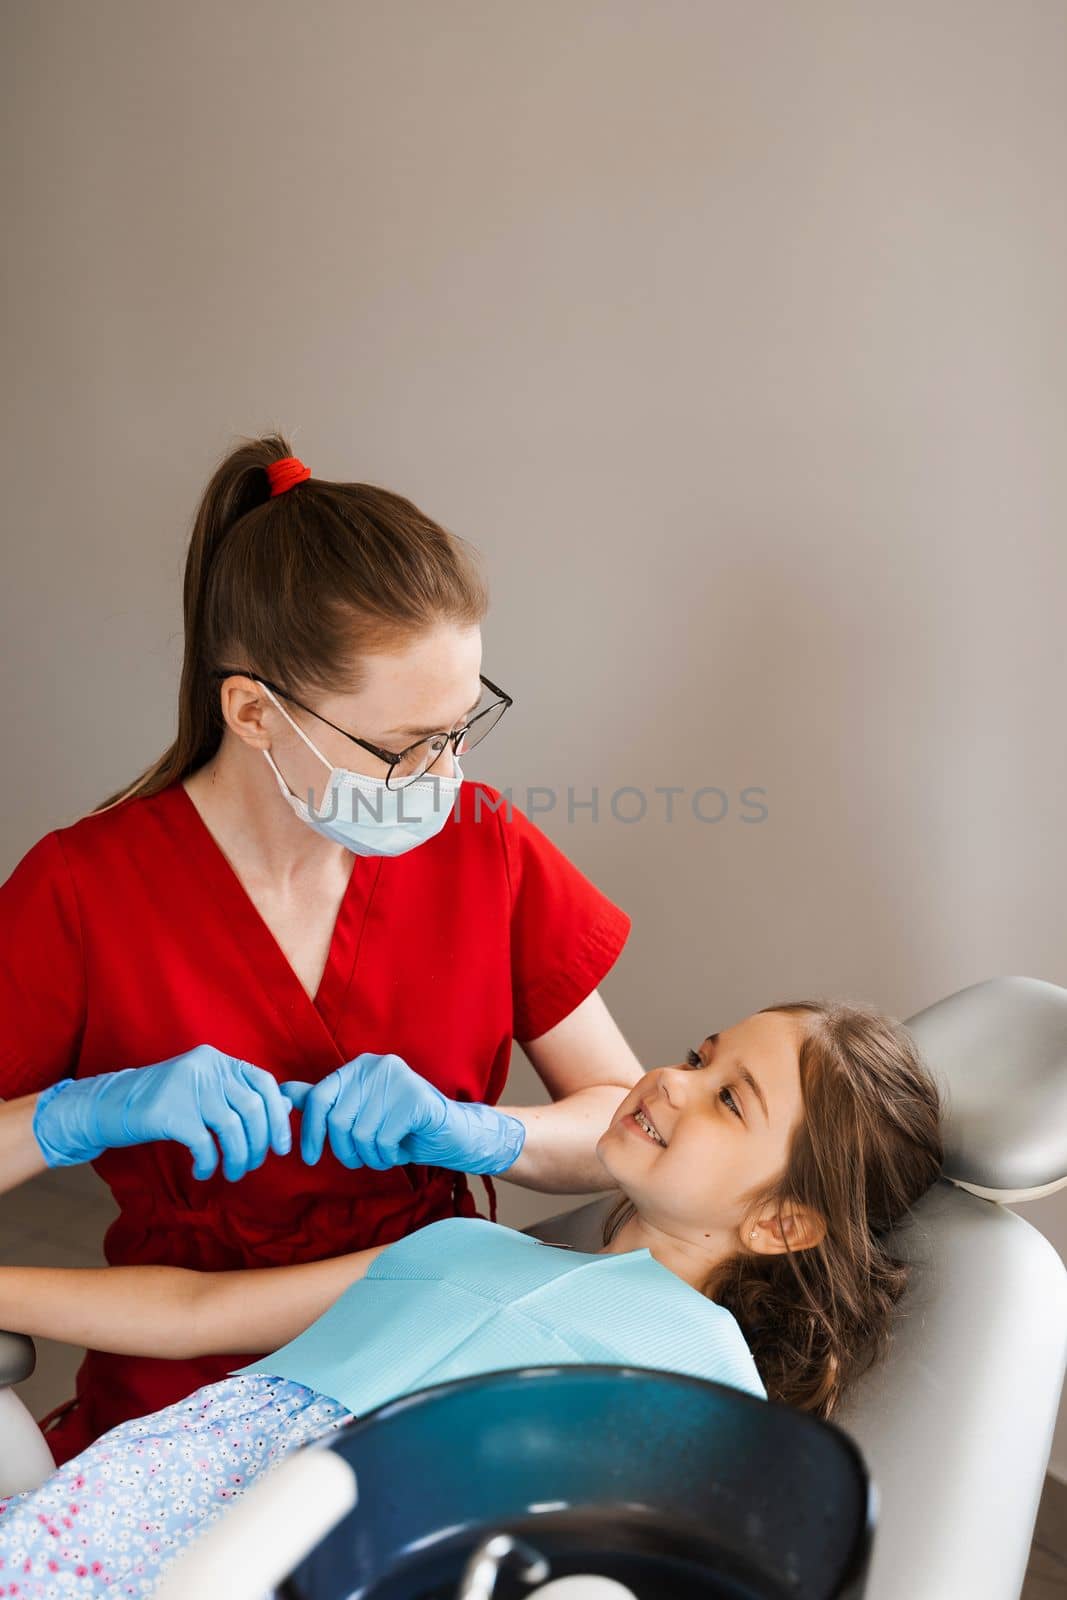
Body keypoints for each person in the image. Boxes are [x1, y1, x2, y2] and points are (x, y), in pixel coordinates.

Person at [0, 437, 642, 1465]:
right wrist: (81, 1116)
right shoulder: (83, 890)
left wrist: (479, 1132)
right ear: (253, 711)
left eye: (461, 724)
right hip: (182, 1403)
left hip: (434, 1358)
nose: (444, 770)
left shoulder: (485, 847)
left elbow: (625, 1120)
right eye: (403, 744)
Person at [0, 999, 945, 1599]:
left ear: (783, 1225)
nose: (670, 1080)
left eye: (729, 1100)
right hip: (105, 1519)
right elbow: (194, 1312)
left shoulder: (705, 1383)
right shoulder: (459, 1245)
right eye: (697, 1057)